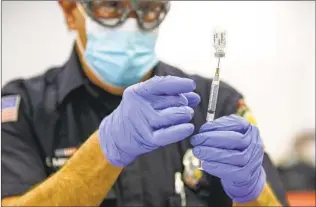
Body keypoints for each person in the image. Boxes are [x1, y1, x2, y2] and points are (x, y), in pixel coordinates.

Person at [1, 1, 288, 206]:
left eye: (148, 8)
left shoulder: (216, 103)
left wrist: (250, 191)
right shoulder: (23, 109)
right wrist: (104, 150)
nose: (131, 24)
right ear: (69, 9)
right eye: (111, 6)